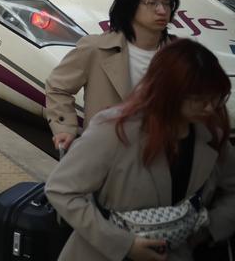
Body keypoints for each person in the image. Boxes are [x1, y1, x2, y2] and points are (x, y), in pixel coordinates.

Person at [45, 39, 235, 261]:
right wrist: (124, 244)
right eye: (199, 100)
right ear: (168, 93)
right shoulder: (114, 130)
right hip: (102, 254)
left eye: (216, 98)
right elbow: (60, 190)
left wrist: (209, 229)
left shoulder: (211, 136)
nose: (210, 108)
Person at [46, 0, 179, 152]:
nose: (162, 10)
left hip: (162, 155)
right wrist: (65, 128)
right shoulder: (96, 48)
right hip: (106, 156)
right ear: (130, 6)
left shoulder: (180, 55)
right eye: (151, 3)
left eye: (166, 3)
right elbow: (58, 87)